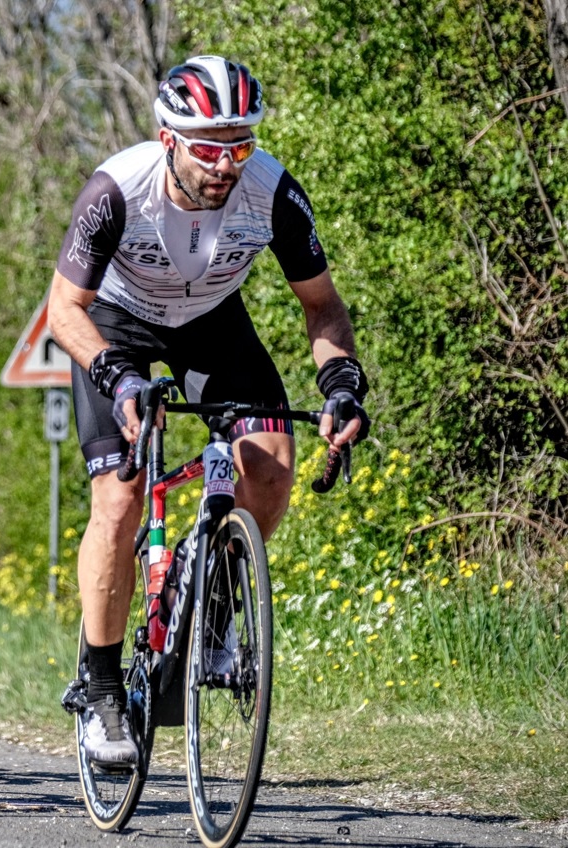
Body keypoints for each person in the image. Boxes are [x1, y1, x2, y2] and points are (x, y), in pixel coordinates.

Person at [47, 56, 371, 766]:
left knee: (271, 465)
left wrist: (340, 382)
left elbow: (321, 307)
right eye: (207, 147)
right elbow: (62, 311)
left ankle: (214, 617)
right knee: (119, 496)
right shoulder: (115, 190)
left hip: (210, 322)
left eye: (240, 145)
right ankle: (101, 688)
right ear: (168, 139)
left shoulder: (273, 193)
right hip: (117, 325)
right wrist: (115, 377)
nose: (225, 164)